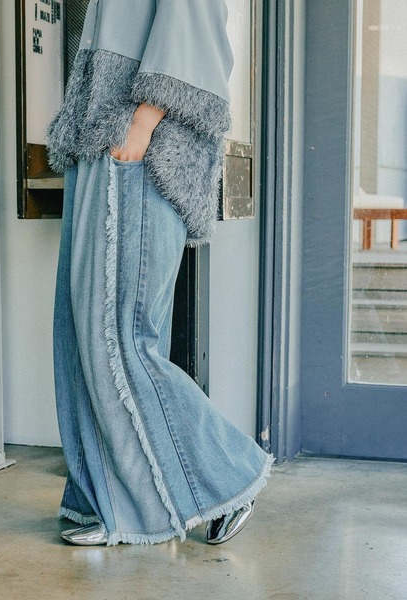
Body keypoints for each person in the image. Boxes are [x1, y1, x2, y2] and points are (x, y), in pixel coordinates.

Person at [47, 0, 274, 547]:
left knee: (120, 333)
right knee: (81, 333)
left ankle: (228, 477)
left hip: (141, 143)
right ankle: (104, 502)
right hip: (105, 136)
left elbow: (193, 18)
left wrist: (143, 123)